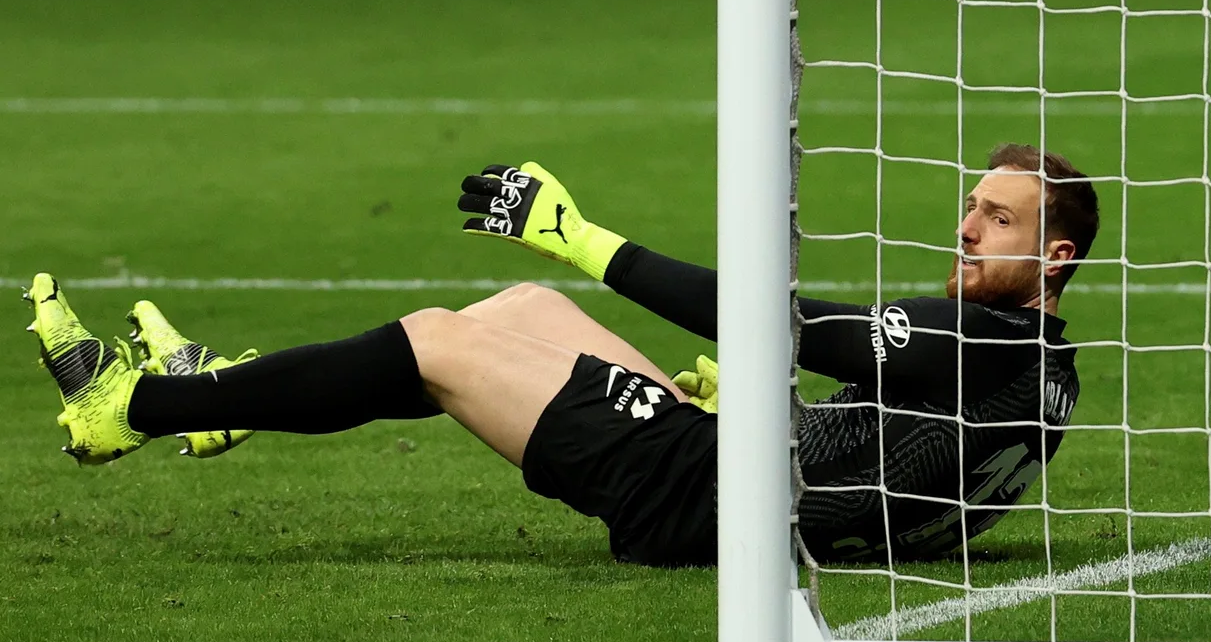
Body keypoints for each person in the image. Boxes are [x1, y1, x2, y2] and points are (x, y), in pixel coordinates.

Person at [26, 143, 1097, 565]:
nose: (964, 228)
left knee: (436, 343)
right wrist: (782, 416)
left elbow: (783, 320)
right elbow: (907, 442)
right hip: (748, 470)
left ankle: (130, 407)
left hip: (708, 497)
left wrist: (581, 233)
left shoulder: (976, 333)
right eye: (968, 206)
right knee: (521, 305)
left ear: (1052, 255)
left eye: (995, 220)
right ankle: (220, 399)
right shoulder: (1045, 366)